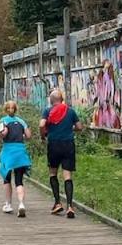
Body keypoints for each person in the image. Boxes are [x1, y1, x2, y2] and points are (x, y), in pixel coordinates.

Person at [40, 89, 84, 218]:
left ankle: (58, 203)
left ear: (51, 100)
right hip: (68, 145)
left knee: (53, 173)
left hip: (53, 144)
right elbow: (80, 127)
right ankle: (70, 206)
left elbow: (42, 124)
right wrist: (71, 128)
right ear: (62, 99)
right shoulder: (70, 111)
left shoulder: (47, 111)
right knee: (67, 175)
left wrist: (43, 135)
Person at [0, 101, 32, 217]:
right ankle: (21, 204)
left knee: (7, 179)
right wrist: (22, 136)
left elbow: (4, 133)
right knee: (19, 181)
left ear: (6, 110)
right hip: (21, 152)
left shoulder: (3, 120)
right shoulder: (21, 121)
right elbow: (28, 136)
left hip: (8, 152)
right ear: (15, 110)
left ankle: (8, 204)